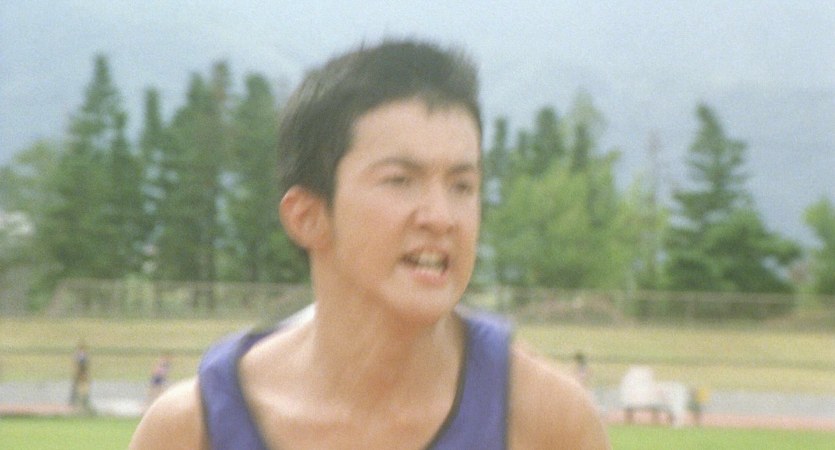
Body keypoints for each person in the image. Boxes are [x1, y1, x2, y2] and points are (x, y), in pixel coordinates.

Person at [130, 38, 610, 449]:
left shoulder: (546, 421)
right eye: (401, 180)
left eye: (462, 185)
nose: (441, 217)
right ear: (307, 217)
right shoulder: (193, 429)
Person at [68, 340, 92, 413]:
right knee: (77, 389)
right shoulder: (79, 356)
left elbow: (85, 366)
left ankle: (83, 402)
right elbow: (77, 365)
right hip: (79, 375)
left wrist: (84, 374)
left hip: (82, 374)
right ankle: (75, 403)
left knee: (83, 389)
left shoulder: (83, 356)